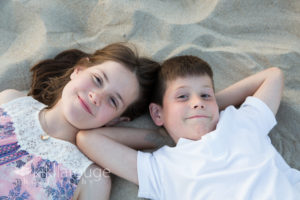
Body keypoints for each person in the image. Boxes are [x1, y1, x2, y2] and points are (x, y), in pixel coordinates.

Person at [77, 55, 300, 199]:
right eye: (182, 96)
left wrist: (208, 108)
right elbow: (88, 139)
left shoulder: (241, 123)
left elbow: (272, 76)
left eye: (205, 94)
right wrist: (161, 134)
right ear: (157, 113)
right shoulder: (162, 169)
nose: (197, 101)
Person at [0, 43, 160, 199]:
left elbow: (161, 138)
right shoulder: (10, 101)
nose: (96, 96)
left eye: (113, 101)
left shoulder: (92, 180)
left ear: (116, 120)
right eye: (98, 79)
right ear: (78, 70)